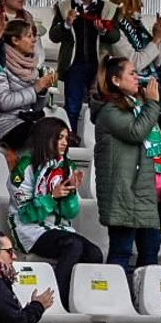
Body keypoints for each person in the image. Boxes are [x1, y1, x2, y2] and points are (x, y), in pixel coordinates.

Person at [94, 54, 161, 272]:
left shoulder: (141, 104)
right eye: (132, 73)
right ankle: (116, 303)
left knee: (150, 252)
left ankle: (147, 301)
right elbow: (136, 132)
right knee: (121, 251)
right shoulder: (109, 111)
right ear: (116, 80)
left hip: (149, 191)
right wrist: (153, 103)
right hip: (126, 192)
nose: (138, 77)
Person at [11, 118, 102, 295]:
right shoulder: (24, 168)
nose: (64, 143)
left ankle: (79, 300)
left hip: (60, 229)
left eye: (66, 139)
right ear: (45, 137)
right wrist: (52, 197)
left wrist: (71, 194)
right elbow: (26, 214)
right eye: (59, 137)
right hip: (30, 230)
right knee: (73, 245)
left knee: (94, 254)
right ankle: (59, 298)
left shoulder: (67, 166)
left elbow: (71, 212)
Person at [48, 0, 119, 141]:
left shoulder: (107, 8)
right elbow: (53, 36)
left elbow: (115, 36)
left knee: (100, 105)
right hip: (75, 65)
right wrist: (67, 23)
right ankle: (69, 142)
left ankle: (99, 140)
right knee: (72, 106)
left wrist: (103, 31)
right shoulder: (65, 7)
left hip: (99, 65)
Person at [0, 19, 58, 154]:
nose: (34, 40)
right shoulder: (0, 65)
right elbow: (3, 102)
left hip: (27, 120)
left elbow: (36, 107)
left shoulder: (31, 65)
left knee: (55, 131)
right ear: (15, 40)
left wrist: (42, 90)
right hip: (5, 124)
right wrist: (34, 89)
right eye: (29, 36)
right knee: (38, 134)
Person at [106, 0, 161, 74]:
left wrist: (159, 35)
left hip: (150, 81)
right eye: (138, 1)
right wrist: (155, 41)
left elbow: (158, 62)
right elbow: (135, 64)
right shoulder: (116, 31)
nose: (142, 5)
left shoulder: (139, 26)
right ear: (127, 6)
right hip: (130, 84)